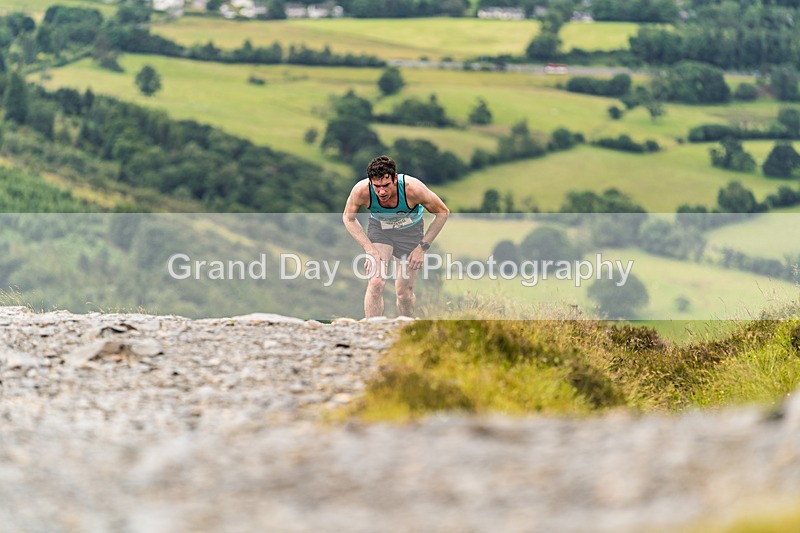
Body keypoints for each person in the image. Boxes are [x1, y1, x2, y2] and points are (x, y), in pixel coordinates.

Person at [342, 155, 449, 318]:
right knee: (376, 282)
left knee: (403, 294)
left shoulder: (413, 189)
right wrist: (369, 249)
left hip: (410, 232)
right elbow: (348, 218)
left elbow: (442, 213)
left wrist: (422, 248)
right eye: (376, 186)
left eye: (386, 185)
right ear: (370, 181)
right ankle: (372, 330)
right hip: (380, 230)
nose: (382, 191)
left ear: (395, 178)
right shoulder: (361, 191)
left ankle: (407, 329)